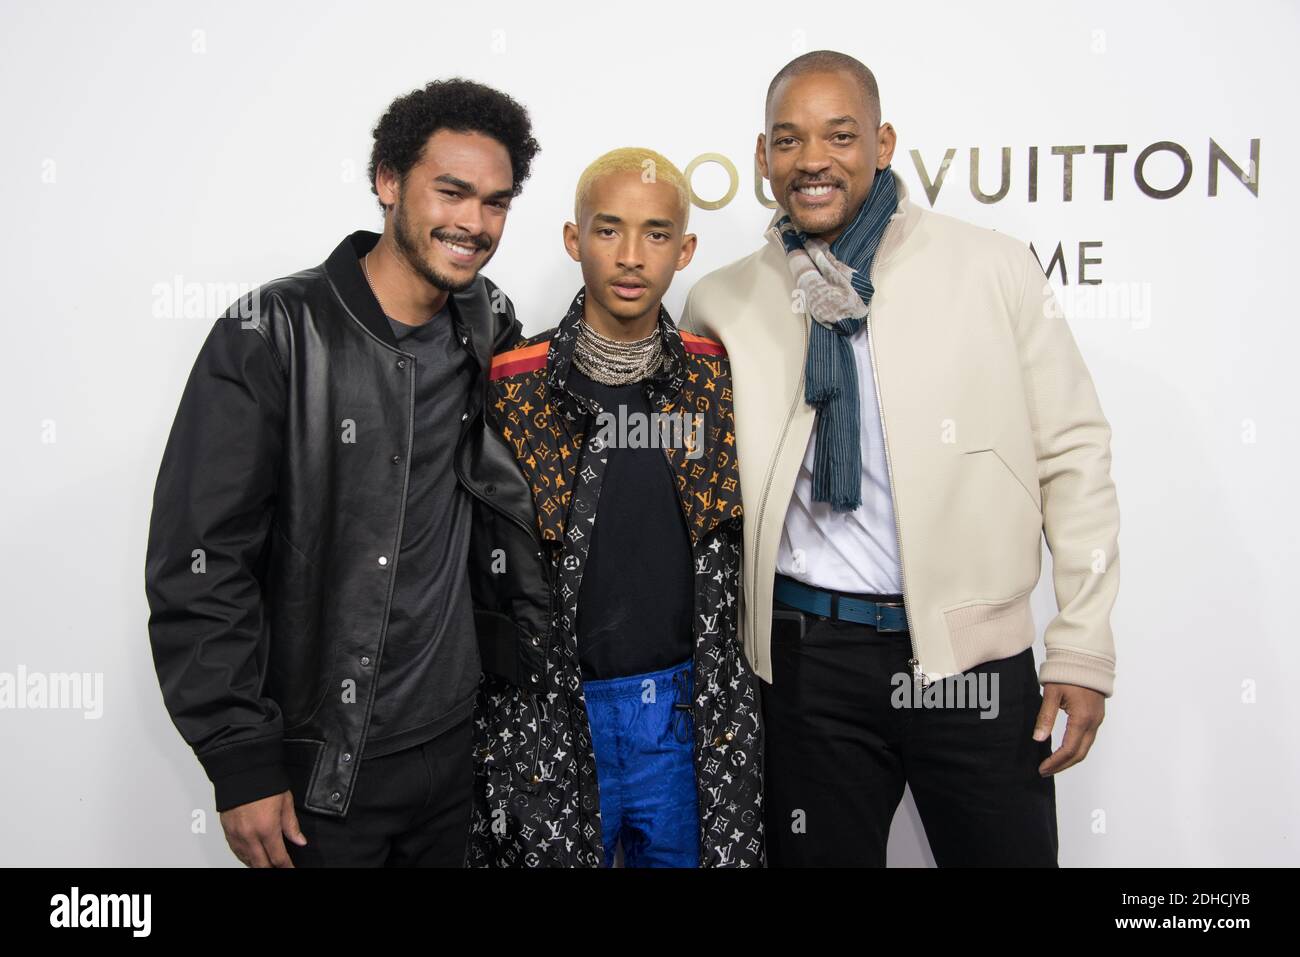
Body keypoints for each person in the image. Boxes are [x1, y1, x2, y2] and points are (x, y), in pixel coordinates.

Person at [681, 51, 1120, 867]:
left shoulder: (991, 267)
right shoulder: (721, 300)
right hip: (807, 666)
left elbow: (1073, 451)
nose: (812, 158)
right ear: (761, 157)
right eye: (788, 139)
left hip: (973, 666)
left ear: (883, 142)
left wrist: (1082, 644)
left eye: (839, 134)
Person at [144, 78, 537, 867]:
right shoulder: (273, 334)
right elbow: (200, 560)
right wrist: (240, 757)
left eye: (495, 202)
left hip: (458, 747)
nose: (473, 222)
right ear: (388, 183)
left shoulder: (484, 318)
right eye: (451, 191)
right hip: (326, 770)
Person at [462, 147, 762, 867]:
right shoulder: (511, 382)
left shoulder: (716, 377)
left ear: (685, 249)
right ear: (574, 239)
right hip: (552, 714)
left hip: (688, 715)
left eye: (657, 234)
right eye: (608, 230)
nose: (632, 256)